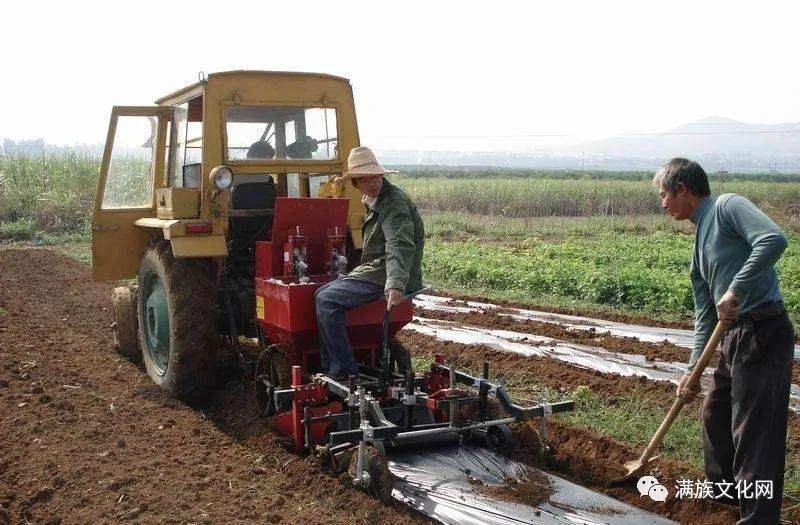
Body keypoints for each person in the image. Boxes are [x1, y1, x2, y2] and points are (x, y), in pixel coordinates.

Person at [654, 158, 793, 524]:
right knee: (715, 416)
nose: (663, 203)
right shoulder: (698, 247)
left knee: (754, 435)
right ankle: (724, 507)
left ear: (683, 189)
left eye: (664, 194)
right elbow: (705, 316)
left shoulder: (727, 206)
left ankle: (758, 519)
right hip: (733, 338)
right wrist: (691, 370)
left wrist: (736, 289)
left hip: (762, 330)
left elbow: (773, 239)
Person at [314, 146, 425, 379]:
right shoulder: (374, 200)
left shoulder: (393, 203)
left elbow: (399, 244)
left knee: (327, 300)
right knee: (320, 293)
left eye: (374, 177)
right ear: (356, 184)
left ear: (381, 175)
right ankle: (330, 364)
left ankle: (344, 370)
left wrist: (395, 283)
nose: (371, 183)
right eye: (364, 179)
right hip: (379, 269)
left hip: (389, 272)